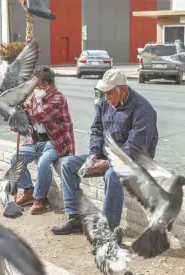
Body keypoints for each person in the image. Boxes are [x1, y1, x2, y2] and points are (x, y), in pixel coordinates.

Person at [51, 68, 159, 235]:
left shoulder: (142, 108)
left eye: (109, 93)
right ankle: (75, 219)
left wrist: (109, 164)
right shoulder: (105, 103)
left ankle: (110, 230)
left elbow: (137, 147)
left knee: (111, 175)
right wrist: (94, 154)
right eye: (104, 93)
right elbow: (97, 129)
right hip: (107, 156)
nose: (106, 98)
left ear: (122, 90)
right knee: (68, 164)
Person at [10, 66, 75, 214]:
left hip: (55, 141)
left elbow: (38, 115)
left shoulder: (57, 97)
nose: (34, 87)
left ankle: (41, 198)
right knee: (15, 159)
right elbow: (24, 113)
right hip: (36, 141)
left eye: (37, 84)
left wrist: (22, 113)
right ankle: (28, 191)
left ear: (47, 84)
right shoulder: (35, 96)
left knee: (44, 163)